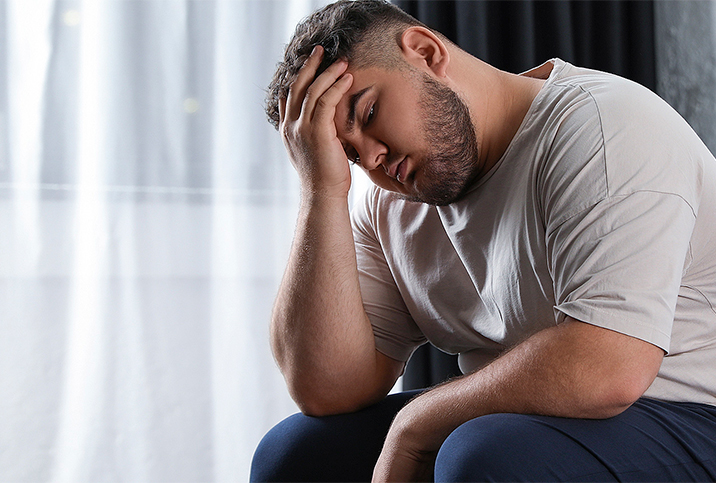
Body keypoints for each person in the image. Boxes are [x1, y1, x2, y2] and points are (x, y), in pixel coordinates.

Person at [251, 0, 716, 481]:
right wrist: (320, 190)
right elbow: (328, 389)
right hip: (521, 423)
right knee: (294, 454)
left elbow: (607, 369)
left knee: (481, 457)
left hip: (690, 410)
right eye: (347, 153)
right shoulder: (388, 201)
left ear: (426, 52)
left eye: (368, 113)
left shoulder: (603, 130)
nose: (372, 159)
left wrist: (415, 425)